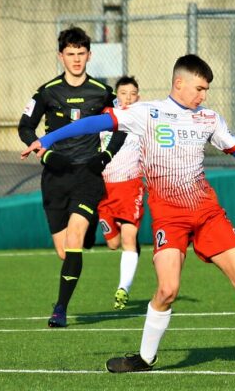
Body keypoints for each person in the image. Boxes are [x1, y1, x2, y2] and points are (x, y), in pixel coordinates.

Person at [21, 54, 235, 372]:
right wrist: (46, 139)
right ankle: (144, 358)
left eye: (206, 89)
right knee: (167, 290)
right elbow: (94, 122)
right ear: (179, 83)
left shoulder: (208, 118)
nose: (203, 95)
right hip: (170, 217)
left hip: (208, 212)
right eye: (199, 88)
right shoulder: (147, 112)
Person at [17, 26, 126, 328]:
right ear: (60, 56)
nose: (76, 59)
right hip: (55, 175)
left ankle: (60, 309)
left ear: (89, 55)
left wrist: (104, 157)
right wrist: (46, 154)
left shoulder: (103, 92)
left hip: (87, 174)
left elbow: (124, 126)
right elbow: (25, 127)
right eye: (70, 54)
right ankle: (91, 230)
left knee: (75, 238)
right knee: (65, 251)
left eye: (81, 54)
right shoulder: (47, 91)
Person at [97, 75, 145, 309]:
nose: (127, 98)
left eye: (132, 94)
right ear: (116, 95)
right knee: (113, 243)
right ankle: (133, 249)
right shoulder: (104, 116)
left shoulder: (142, 120)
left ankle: (123, 289)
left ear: (138, 97)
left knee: (128, 239)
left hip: (130, 186)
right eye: (123, 93)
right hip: (104, 190)